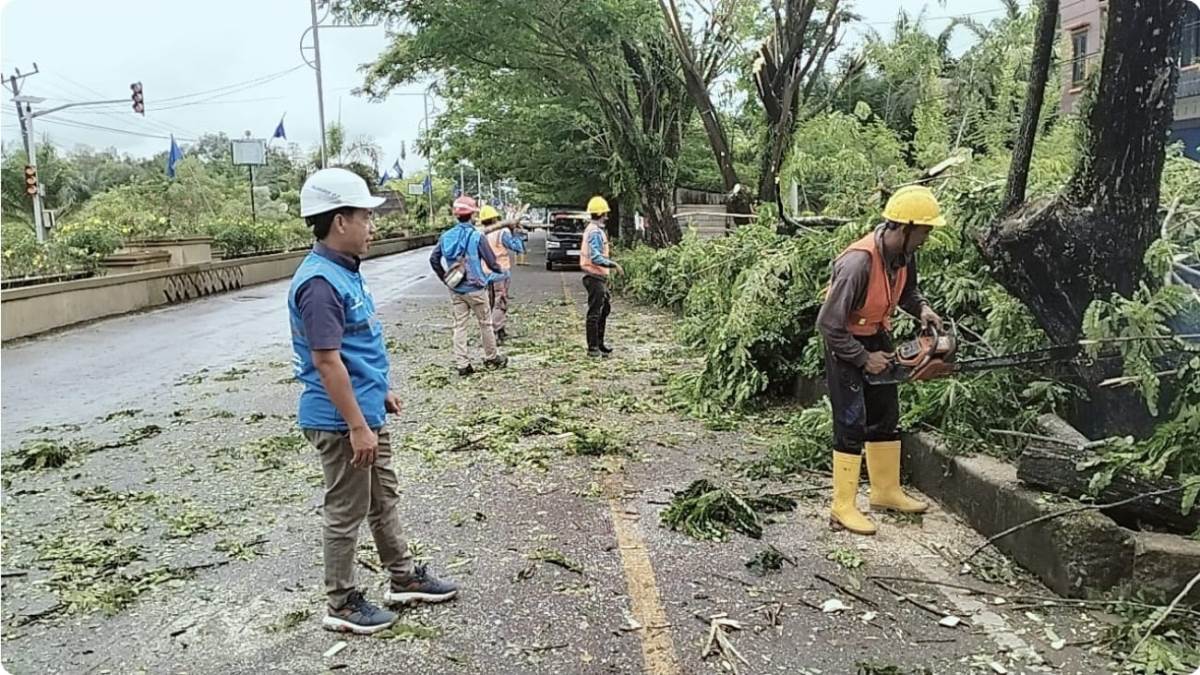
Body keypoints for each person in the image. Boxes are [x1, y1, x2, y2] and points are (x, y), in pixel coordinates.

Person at [288, 168, 459, 635]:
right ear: (339, 221)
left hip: (365, 413)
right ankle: (340, 603)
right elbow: (326, 363)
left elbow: (354, 348)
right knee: (346, 511)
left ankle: (402, 576)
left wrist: (379, 391)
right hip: (342, 421)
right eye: (365, 216)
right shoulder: (320, 284)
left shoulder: (345, 272)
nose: (372, 226)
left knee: (383, 498)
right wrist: (357, 426)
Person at [816, 185, 945, 536]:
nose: (926, 239)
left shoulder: (903, 256)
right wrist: (862, 358)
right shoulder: (858, 263)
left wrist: (922, 309)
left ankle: (885, 491)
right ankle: (842, 506)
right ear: (903, 228)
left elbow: (906, 292)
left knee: (886, 413)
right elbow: (828, 324)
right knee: (851, 420)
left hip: (876, 333)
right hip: (844, 341)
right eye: (924, 232)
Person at [429, 195, 509, 376]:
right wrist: (499, 271)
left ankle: (462, 364)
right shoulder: (476, 236)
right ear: (472, 215)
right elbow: (491, 261)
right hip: (476, 288)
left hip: (456, 289)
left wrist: (446, 278)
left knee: (459, 326)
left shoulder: (446, 236)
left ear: (456, 215)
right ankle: (491, 357)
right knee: (485, 323)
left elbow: (434, 259)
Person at [579, 195, 622, 357]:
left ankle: (599, 343)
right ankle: (593, 347)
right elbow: (595, 257)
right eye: (605, 213)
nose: (607, 216)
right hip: (594, 276)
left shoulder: (593, 230)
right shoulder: (595, 232)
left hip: (597, 276)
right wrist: (613, 264)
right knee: (595, 312)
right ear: (602, 214)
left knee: (604, 309)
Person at [479, 204, 526, 344]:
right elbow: (517, 247)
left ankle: (500, 330)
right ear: (495, 219)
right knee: (500, 303)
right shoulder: (501, 233)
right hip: (500, 272)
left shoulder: (481, 234)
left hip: (486, 273)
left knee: (491, 303)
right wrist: (515, 232)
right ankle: (494, 333)